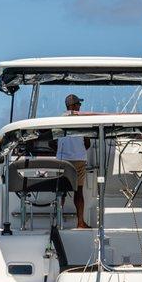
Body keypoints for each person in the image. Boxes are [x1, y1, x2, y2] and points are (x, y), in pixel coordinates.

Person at [55, 94, 90, 228]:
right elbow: (87, 143)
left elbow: (53, 142)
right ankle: (80, 222)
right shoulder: (82, 121)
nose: (80, 107)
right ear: (73, 106)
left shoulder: (58, 120)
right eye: (79, 104)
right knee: (78, 191)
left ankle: (58, 223)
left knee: (61, 192)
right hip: (79, 160)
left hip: (63, 161)